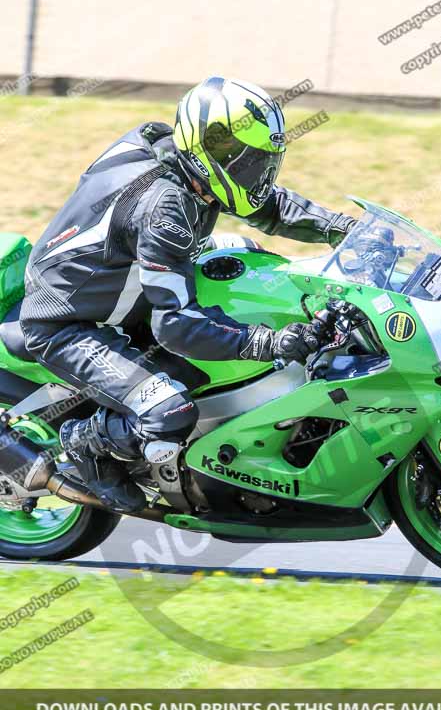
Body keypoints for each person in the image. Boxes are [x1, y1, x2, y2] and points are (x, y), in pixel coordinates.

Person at [20, 76, 356, 513]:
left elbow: (270, 205)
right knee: (171, 412)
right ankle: (84, 444)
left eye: (263, 161)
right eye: (246, 161)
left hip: (122, 301)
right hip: (69, 325)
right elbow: (175, 323)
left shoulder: (184, 160)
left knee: (249, 263)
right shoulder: (166, 207)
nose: (257, 173)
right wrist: (268, 342)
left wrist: (347, 231)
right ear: (209, 152)